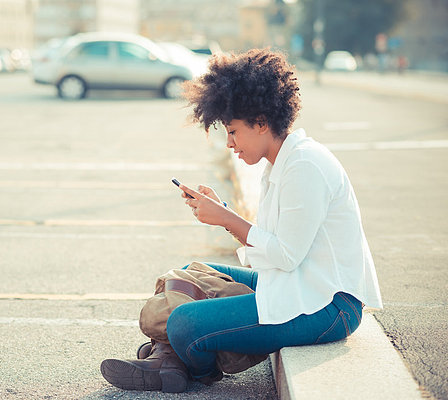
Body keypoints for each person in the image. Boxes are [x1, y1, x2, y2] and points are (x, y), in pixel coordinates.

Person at [100, 48, 383, 393]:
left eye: (233, 132)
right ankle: (170, 363)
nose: (230, 143)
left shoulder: (305, 166)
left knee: (183, 322)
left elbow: (285, 255)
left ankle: (183, 362)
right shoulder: (281, 162)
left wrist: (226, 218)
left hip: (327, 306)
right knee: (195, 269)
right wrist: (223, 215)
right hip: (299, 285)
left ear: (262, 122)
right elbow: (273, 246)